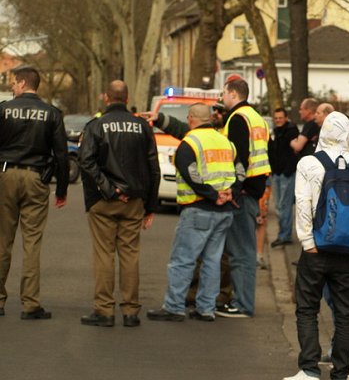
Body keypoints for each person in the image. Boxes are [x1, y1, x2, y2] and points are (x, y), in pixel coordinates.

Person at [282, 112, 349, 380]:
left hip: (316, 250)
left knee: (307, 308)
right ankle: (341, 375)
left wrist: (307, 242)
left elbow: (302, 203)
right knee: (345, 312)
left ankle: (309, 370)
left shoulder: (309, 163)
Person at [148, 104, 242, 322]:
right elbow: (240, 170)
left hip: (198, 209)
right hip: (224, 212)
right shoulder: (226, 142)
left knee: (183, 260)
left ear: (191, 119)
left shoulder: (189, 143)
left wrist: (211, 194)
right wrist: (230, 192)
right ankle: (206, 308)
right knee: (212, 260)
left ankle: (174, 307)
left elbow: (190, 173)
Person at [78, 80, 159, 327]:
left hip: (104, 201)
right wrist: (150, 205)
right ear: (126, 98)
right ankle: (131, 311)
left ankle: (104, 310)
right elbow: (153, 168)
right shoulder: (142, 126)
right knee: (130, 253)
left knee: (104, 254)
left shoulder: (96, 126)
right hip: (134, 200)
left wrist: (109, 189)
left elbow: (86, 162)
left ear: (106, 98)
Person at [0, 65, 69, 319]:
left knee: (2, 240)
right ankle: (30, 304)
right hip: (36, 178)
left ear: (21, 83)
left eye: (13, 84)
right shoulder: (52, 113)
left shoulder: (4, 110)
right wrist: (61, 189)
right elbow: (61, 154)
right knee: (32, 243)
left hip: (5, 175)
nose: (11, 88)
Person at [216, 76, 271, 318]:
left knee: (240, 252)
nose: (222, 97)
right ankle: (240, 301)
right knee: (243, 250)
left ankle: (242, 304)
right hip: (255, 187)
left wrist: (234, 190)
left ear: (233, 94)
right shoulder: (256, 117)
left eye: (224, 93)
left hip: (244, 190)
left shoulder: (237, 119)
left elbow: (239, 157)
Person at [268, 107, 299, 248]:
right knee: (279, 206)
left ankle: (284, 235)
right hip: (276, 174)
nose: (278, 120)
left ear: (286, 118)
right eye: (276, 118)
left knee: (285, 206)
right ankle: (283, 233)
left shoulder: (291, 131)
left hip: (287, 175)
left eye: (280, 118)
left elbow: (295, 153)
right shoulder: (274, 132)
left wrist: (287, 171)